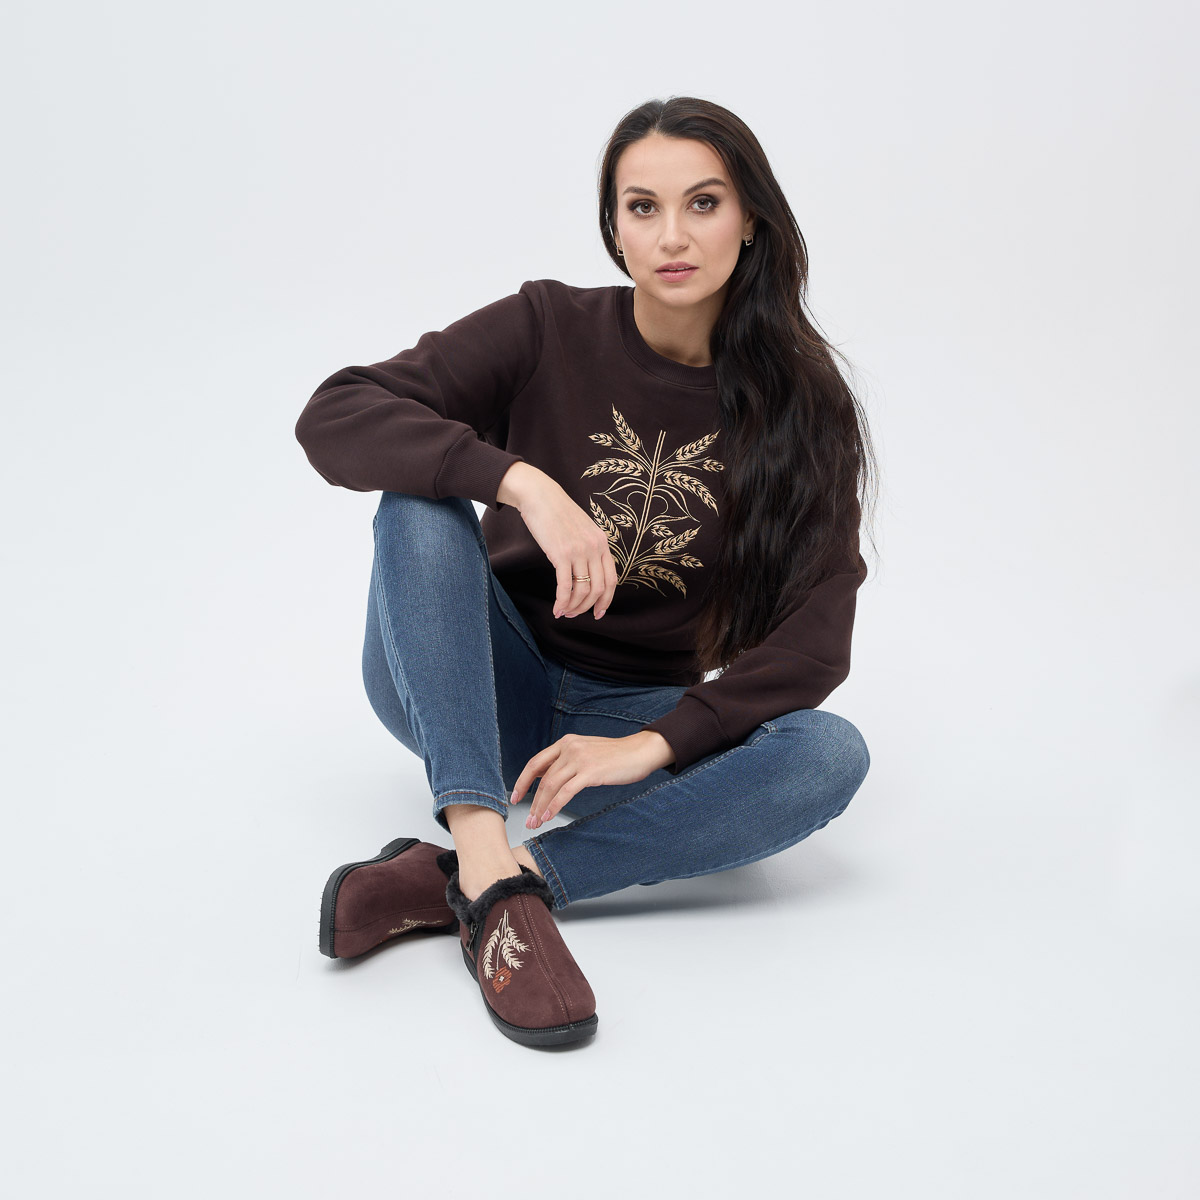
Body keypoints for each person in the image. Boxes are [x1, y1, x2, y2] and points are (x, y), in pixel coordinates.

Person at [294, 95, 880, 1050]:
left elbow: (815, 643)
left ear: (751, 221)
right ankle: (480, 835)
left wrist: (652, 745)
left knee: (830, 753)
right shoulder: (547, 327)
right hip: (469, 683)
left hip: (625, 727)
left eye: (703, 203)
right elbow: (336, 414)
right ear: (613, 227)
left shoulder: (804, 411)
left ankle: (489, 883)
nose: (672, 235)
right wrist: (521, 483)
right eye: (643, 207)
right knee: (418, 502)